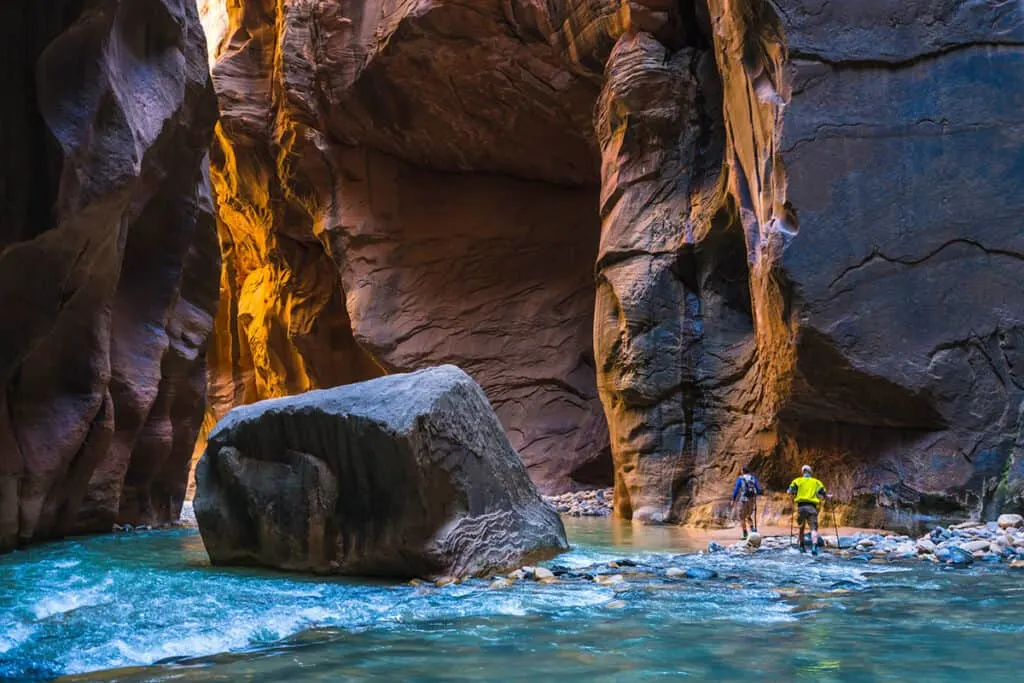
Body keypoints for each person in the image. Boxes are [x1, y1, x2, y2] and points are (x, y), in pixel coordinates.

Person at [788, 464, 831, 556]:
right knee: (813, 529)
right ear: (810, 472)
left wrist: (791, 492)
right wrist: (828, 497)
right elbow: (822, 492)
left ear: (802, 472)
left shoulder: (797, 480)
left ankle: (802, 546)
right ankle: (814, 547)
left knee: (801, 527)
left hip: (801, 507)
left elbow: (790, 490)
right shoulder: (816, 482)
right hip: (812, 507)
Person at [731, 465, 762, 540]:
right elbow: (758, 489)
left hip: (743, 500)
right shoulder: (752, 478)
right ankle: (753, 530)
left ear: (742, 471)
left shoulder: (740, 479)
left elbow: (736, 489)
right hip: (751, 500)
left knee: (742, 517)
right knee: (748, 515)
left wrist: (733, 499)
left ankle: (745, 533)